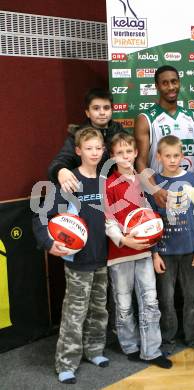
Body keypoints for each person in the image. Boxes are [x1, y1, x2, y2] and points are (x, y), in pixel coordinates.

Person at [32, 128, 109, 384]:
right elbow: (40, 217)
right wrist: (49, 243)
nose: (94, 152)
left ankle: (94, 350)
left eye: (98, 148)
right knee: (74, 313)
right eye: (89, 148)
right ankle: (66, 362)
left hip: (102, 258)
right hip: (78, 262)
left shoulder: (105, 180)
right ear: (78, 151)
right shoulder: (68, 183)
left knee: (99, 310)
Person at [104, 133, 172, 369]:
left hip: (144, 252)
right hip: (119, 254)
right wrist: (124, 240)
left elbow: (150, 221)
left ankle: (152, 350)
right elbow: (108, 219)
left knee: (150, 301)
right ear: (113, 156)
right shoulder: (108, 184)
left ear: (135, 153)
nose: (125, 157)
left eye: (129, 152)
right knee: (123, 304)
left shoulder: (143, 181)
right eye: (119, 153)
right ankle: (130, 345)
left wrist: (154, 252)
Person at [148, 135, 194, 355]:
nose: (172, 160)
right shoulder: (153, 183)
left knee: (192, 296)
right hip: (164, 252)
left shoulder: (193, 180)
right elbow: (150, 221)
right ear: (159, 156)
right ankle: (167, 338)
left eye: (176, 156)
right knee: (165, 297)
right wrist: (154, 253)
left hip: (191, 251)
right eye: (167, 156)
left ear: (183, 156)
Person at [134, 65, 194, 208]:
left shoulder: (192, 117)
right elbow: (140, 162)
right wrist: (155, 190)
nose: (171, 87)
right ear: (157, 86)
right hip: (162, 192)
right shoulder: (146, 119)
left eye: (174, 81)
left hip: (192, 191)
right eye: (165, 83)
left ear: (179, 82)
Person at [48, 87, 126, 192]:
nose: (102, 112)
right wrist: (61, 171)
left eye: (106, 108)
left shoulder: (121, 134)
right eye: (96, 108)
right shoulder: (77, 135)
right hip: (86, 190)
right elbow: (62, 159)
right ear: (88, 112)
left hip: (115, 190)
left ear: (112, 110)